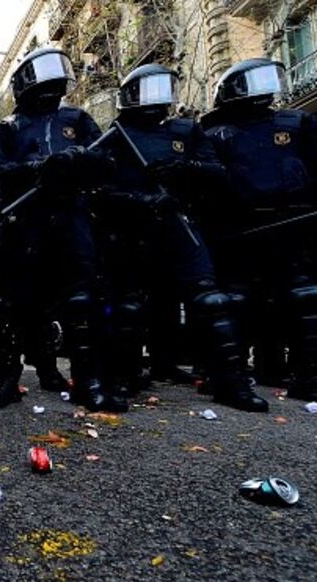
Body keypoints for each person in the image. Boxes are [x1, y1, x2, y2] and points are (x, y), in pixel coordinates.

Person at [98, 63, 268, 411]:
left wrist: (185, 170)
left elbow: (218, 173)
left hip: (181, 225)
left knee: (212, 301)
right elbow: (100, 192)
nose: (157, 97)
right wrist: (141, 200)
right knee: (130, 307)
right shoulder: (116, 135)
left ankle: (230, 382)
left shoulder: (187, 131)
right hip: (135, 231)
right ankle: (123, 377)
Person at [0, 47, 122, 412]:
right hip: (25, 221)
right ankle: (6, 378)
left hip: (71, 216)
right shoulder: (9, 128)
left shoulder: (77, 119)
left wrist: (80, 158)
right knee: (11, 303)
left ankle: (88, 379)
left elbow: (107, 162)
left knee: (81, 299)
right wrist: (35, 168)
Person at [202, 58, 317, 401]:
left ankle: (307, 372)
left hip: (295, 225)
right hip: (240, 232)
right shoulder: (215, 134)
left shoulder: (297, 123)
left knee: (302, 297)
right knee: (240, 302)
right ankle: (233, 374)